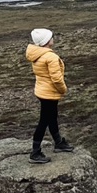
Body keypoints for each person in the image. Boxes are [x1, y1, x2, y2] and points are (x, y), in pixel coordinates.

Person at [25, 28, 74, 163]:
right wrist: (63, 90)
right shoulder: (50, 56)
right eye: (51, 37)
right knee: (44, 121)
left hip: (42, 91)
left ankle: (58, 142)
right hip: (49, 93)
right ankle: (35, 152)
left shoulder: (37, 54)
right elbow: (57, 79)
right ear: (47, 41)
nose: (53, 38)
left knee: (52, 117)